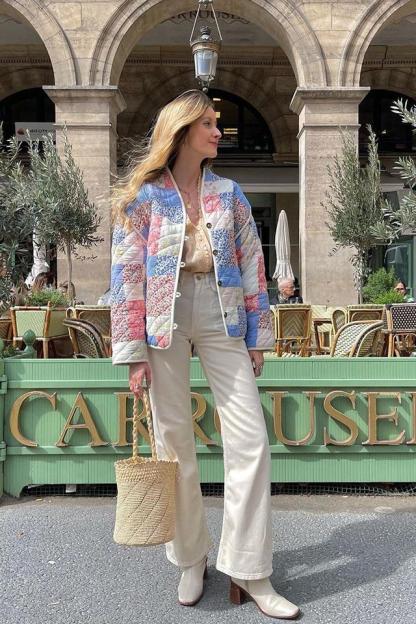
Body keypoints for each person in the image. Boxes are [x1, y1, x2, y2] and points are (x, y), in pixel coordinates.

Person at [110, 90, 300, 620]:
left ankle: (250, 568)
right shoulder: (145, 198)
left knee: (250, 439)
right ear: (182, 131)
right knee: (175, 442)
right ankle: (190, 558)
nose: (219, 131)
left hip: (223, 311)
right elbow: (126, 276)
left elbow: (252, 264)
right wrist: (133, 352)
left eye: (218, 123)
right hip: (162, 318)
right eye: (209, 124)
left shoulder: (229, 193)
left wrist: (258, 337)